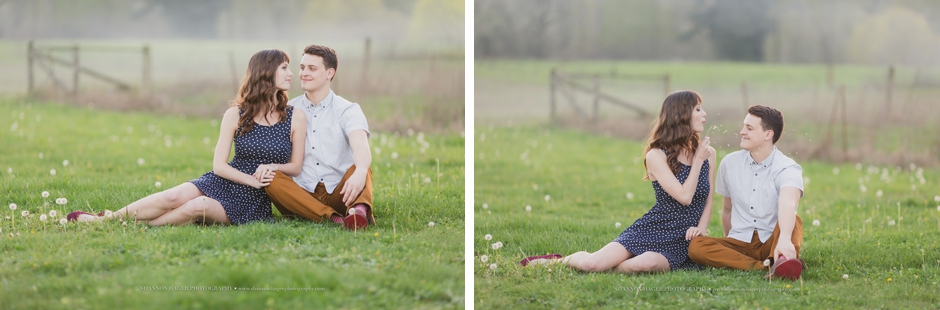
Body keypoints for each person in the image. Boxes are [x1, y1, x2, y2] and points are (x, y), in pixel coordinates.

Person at [67, 49, 306, 226]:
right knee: (173, 196)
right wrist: (249, 179)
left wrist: (269, 170)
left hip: (254, 199)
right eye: (284, 67)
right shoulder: (236, 114)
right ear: (265, 73)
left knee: (197, 206)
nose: (291, 73)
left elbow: (295, 167)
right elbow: (219, 166)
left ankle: (142, 226)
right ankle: (108, 220)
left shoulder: (295, 116)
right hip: (226, 180)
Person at [520, 90, 716, 274]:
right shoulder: (656, 156)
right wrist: (698, 161)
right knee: (592, 264)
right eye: (697, 109)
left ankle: (611, 266)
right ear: (680, 115)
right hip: (654, 228)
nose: (704, 113)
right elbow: (685, 196)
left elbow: (708, 199)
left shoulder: (708, 155)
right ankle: (557, 261)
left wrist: (701, 230)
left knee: (645, 263)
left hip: (686, 237)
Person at [687, 105, 806, 280]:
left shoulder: (788, 168)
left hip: (772, 241)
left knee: (793, 220)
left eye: (749, 128)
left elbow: (788, 204)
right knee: (696, 246)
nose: (742, 132)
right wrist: (728, 246)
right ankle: (768, 267)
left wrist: (785, 239)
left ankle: (780, 257)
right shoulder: (729, 163)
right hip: (740, 242)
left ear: (768, 134)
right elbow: (727, 209)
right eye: (744, 126)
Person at [264, 44, 375, 230]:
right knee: (271, 178)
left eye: (312, 68)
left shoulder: (347, 109)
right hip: (301, 196)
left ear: (329, 73)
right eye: (302, 68)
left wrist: (361, 171)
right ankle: (335, 218)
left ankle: (359, 212)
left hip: (342, 192)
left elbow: (361, 146)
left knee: (361, 168)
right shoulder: (287, 110)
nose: (303, 73)